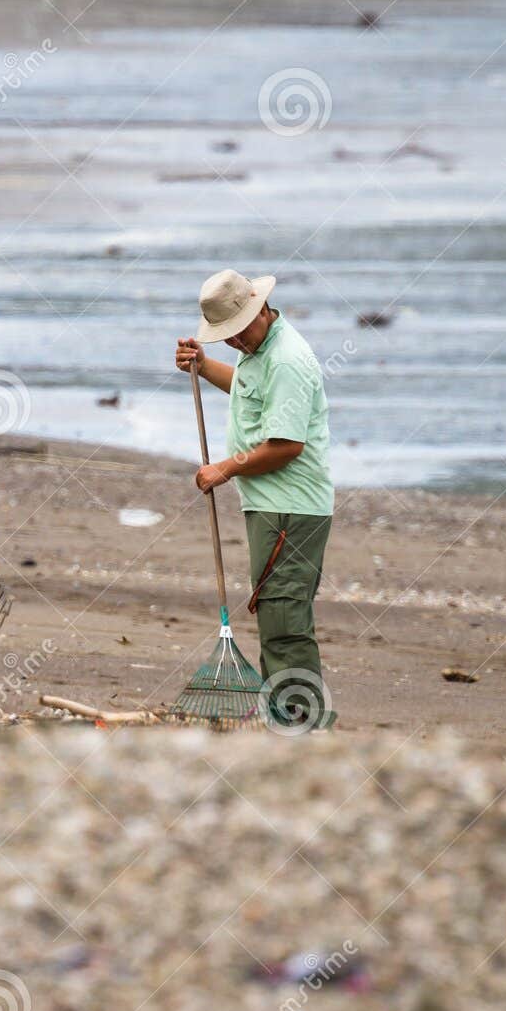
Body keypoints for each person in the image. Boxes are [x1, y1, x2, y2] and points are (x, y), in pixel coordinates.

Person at [175, 269, 335, 729]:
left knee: (284, 619)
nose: (237, 343)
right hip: (271, 504)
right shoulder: (259, 349)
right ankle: (286, 717)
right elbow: (250, 391)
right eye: (228, 338)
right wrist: (204, 367)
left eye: (240, 332)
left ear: (261, 308)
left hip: (291, 506)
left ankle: (301, 726)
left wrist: (224, 468)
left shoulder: (286, 358)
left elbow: (286, 446)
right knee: (274, 611)